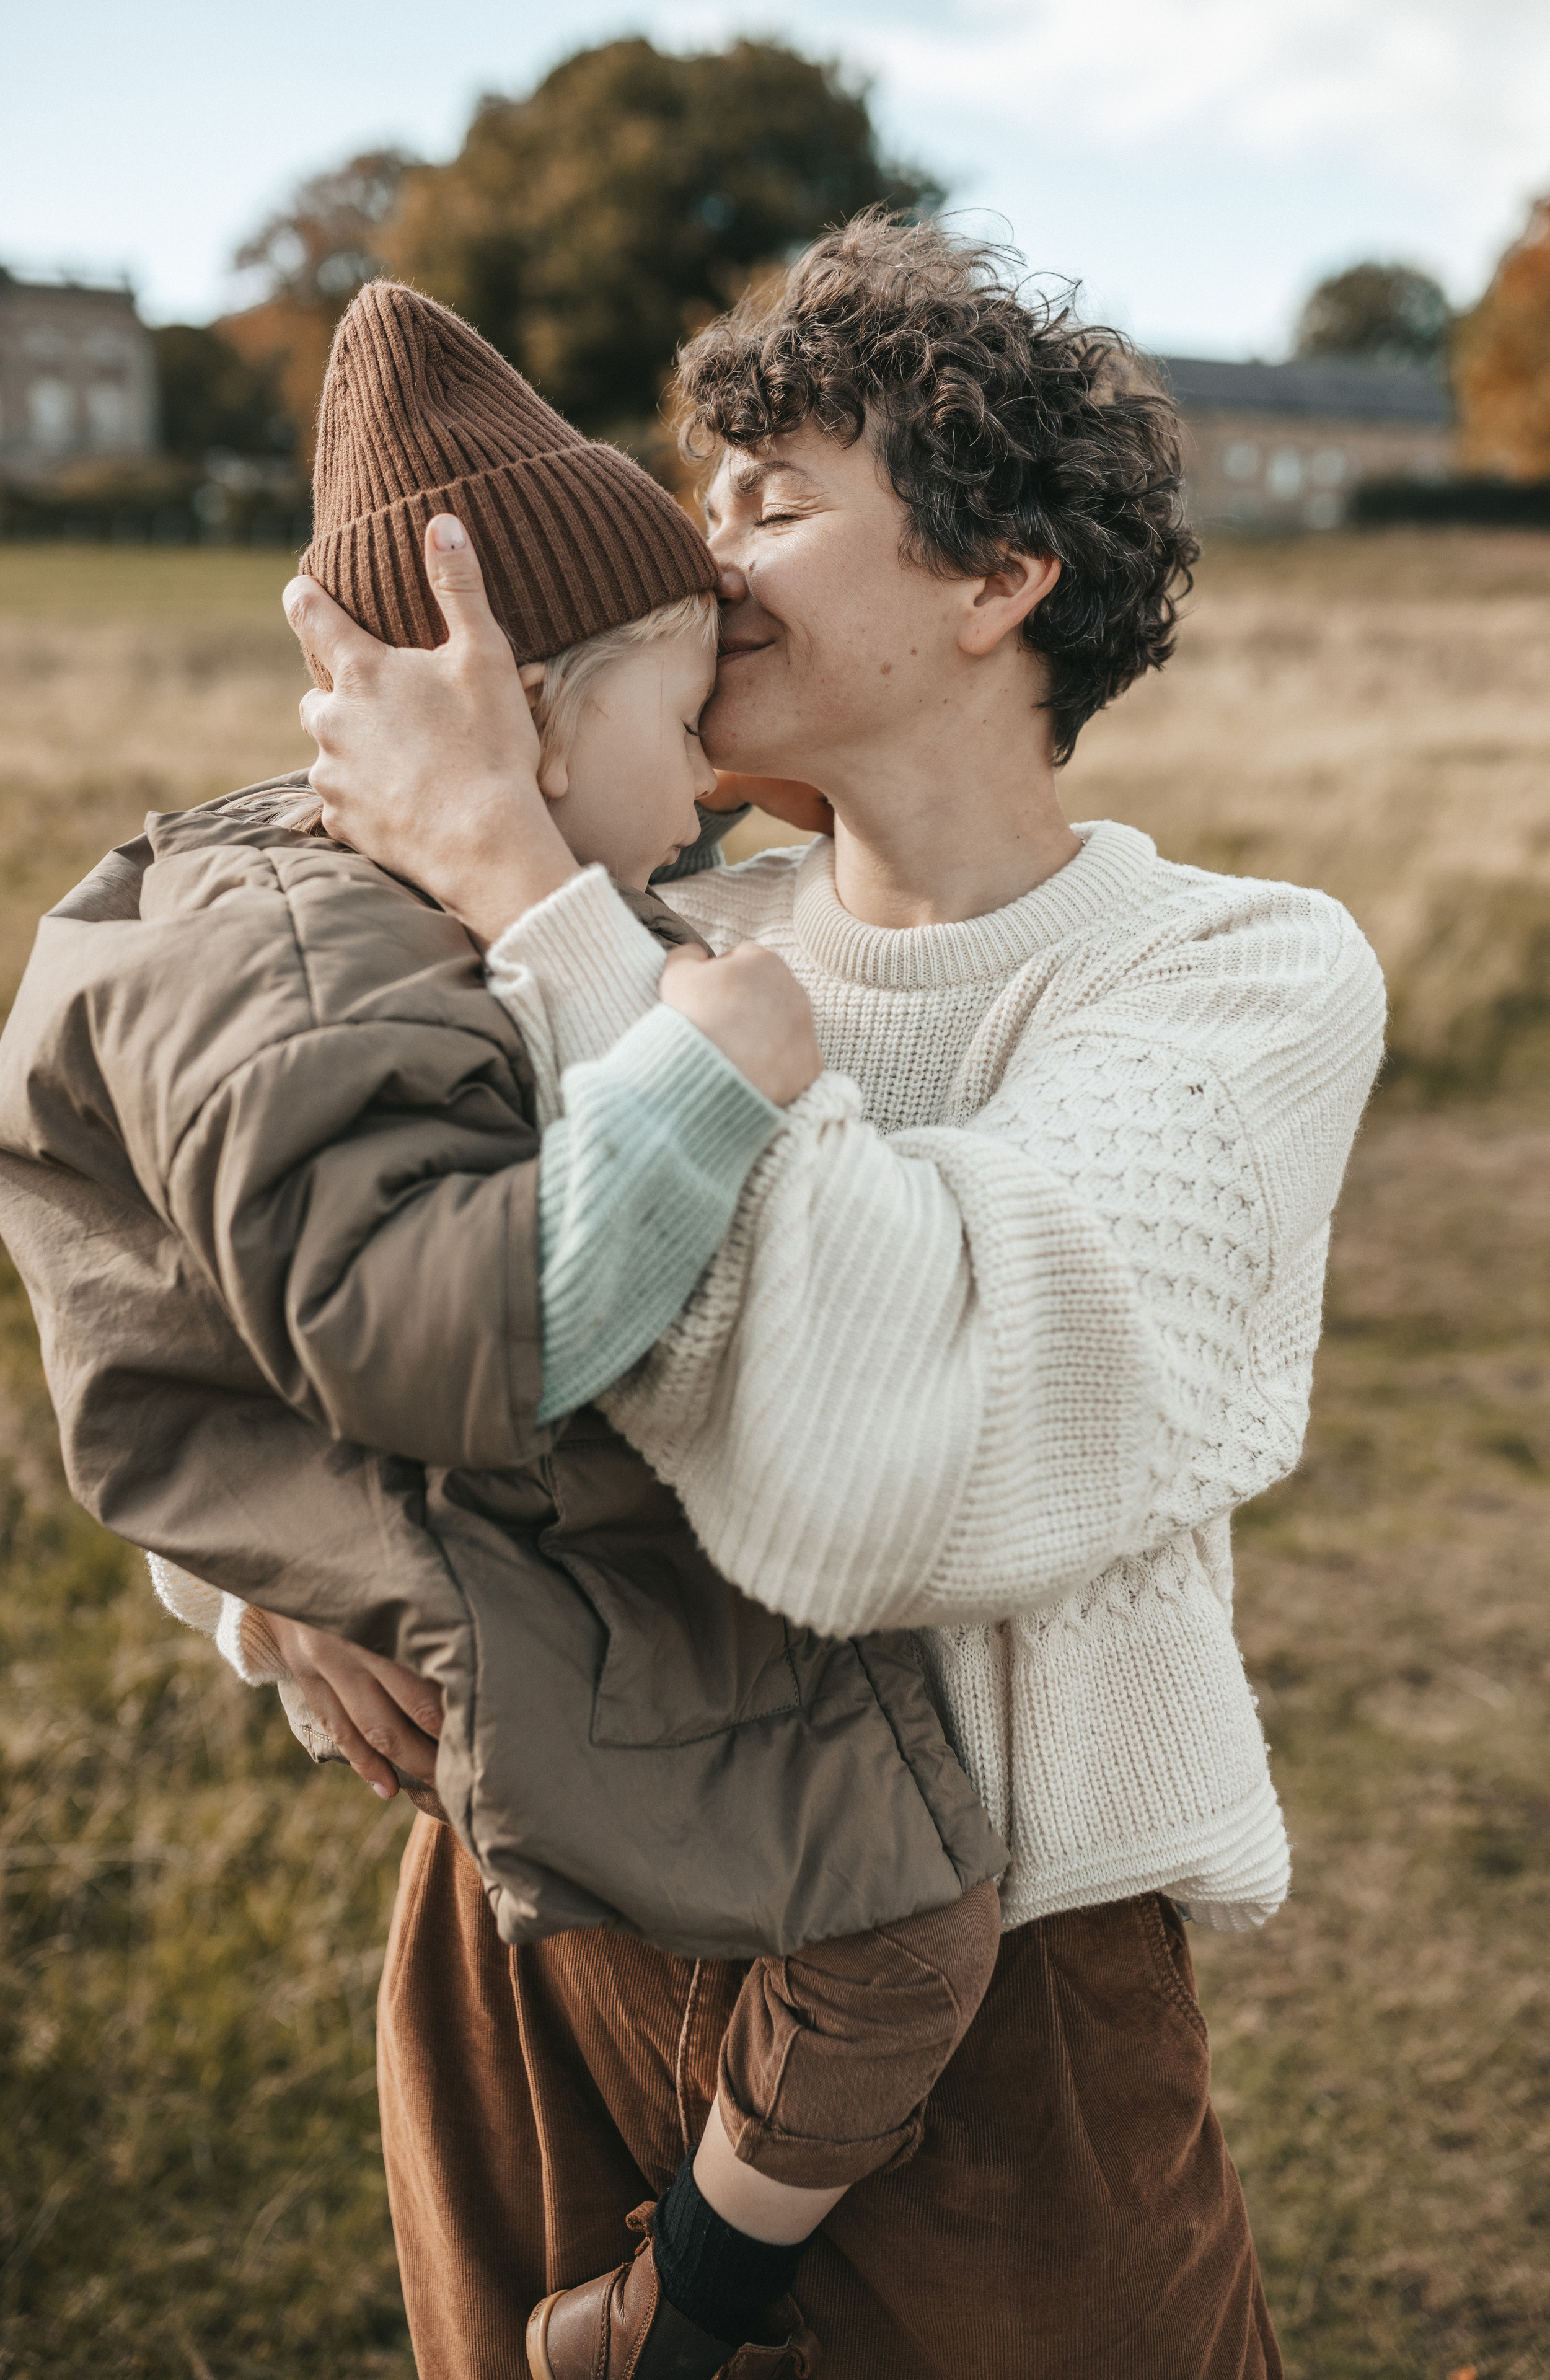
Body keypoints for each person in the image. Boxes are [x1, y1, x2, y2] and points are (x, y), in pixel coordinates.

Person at [285, 214, 1387, 2378]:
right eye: (701, 504)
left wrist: (522, 889)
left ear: (999, 582)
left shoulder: (1236, 978)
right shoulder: (641, 911)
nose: (706, 565)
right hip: (536, 1933)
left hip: (1004, 2015)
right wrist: (275, 1571)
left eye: (776, 505)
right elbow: (290, 1254)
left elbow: (901, 1460)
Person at [0, 281, 1008, 2380]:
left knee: (905, 1928)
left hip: (594, 1630)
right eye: (675, 714)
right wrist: (703, 1073)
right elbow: (400, 1315)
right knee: (907, 1936)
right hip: (570, 1662)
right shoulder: (325, 938)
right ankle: (671, 2320)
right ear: (524, 719)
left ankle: (666, 2311)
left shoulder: (411, 906)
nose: (713, 790)